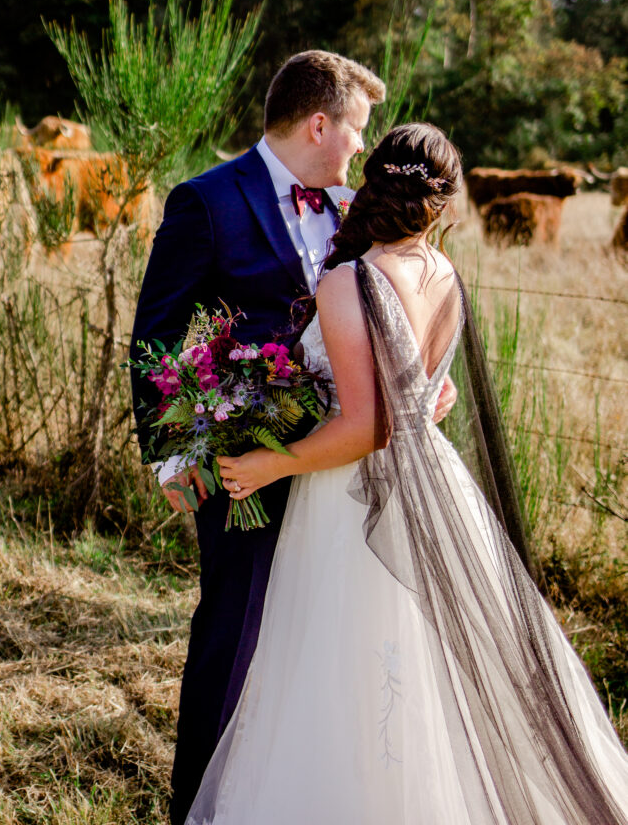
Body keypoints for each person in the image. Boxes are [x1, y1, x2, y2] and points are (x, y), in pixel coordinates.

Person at [182, 123, 628, 825]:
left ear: (374, 184)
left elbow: (364, 428)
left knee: (341, 666)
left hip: (346, 501)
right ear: (444, 203)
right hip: (436, 486)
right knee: (428, 669)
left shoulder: (347, 281)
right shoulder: (444, 274)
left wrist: (270, 461)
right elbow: (418, 396)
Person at [131, 50, 433, 825]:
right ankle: (196, 806)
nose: (360, 151)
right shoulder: (206, 201)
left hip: (341, 463)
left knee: (328, 642)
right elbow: (156, 334)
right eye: (355, 132)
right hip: (243, 459)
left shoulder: (353, 209)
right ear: (318, 123)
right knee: (233, 632)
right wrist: (169, 454)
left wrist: (420, 388)